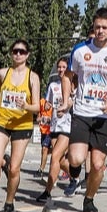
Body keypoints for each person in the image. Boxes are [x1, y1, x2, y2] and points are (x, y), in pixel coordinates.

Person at [62, 7, 107, 212]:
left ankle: (89, 199)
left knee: (97, 165)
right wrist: (67, 98)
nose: (100, 31)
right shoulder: (80, 50)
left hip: (106, 116)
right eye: (97, 27)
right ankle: (75, 174)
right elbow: (68, 76)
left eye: (104, 27)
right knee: (76, 159)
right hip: (82, 112)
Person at [0, 40, 40, 212]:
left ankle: (9, 201)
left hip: (22, 125)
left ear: (27, 55)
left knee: (14, 168)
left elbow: (37, 106)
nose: (18, 55)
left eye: (22, 52)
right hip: (1, 121)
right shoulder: (2, 73)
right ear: (11, 53)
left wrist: (26, 106)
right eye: (15, 51)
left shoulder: (33, 77)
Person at [36, 56, 73, 202]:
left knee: (55, 157)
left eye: (64, 67)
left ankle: (47, 191)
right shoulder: (53, 86)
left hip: (68, 126)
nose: (61, 70)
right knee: (61, 160)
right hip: (55, 125)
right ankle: (75, 178)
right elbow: (49, 104)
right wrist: (45, 110)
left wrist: (69, 104)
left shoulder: (73, 85)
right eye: (59, 67)